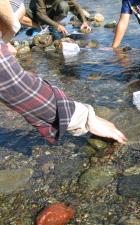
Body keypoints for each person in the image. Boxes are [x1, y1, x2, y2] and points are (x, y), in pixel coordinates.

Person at [0, 0, 127, 144]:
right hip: (38, 17)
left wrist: (84, 21)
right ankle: (42, 28)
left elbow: (75, 7)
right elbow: (20, 88)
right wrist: (86, 119)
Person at [23, 0, 91, 35]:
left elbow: (75, 6)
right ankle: (39, 27)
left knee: (64, 6)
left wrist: (84, 22)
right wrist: (57, 25)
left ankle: (51, 27)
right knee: (20, 13)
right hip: (36, 14)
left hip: (50, 14)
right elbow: (41, 15)